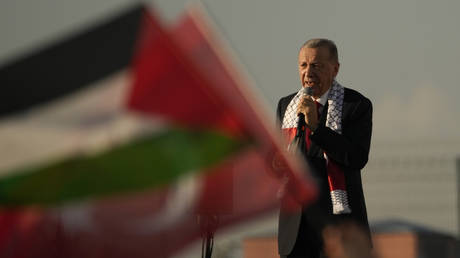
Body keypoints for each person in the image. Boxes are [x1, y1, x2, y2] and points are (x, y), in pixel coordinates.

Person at [276, 38, 373, 258]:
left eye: (316, 65)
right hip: (296, 231)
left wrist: (316, 127)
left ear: (335, 68)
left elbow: (356, 157)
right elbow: (279, 161)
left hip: (339, 230)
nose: (308, 72)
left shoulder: (356, 105)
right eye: (303, 65)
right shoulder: (286, 106)